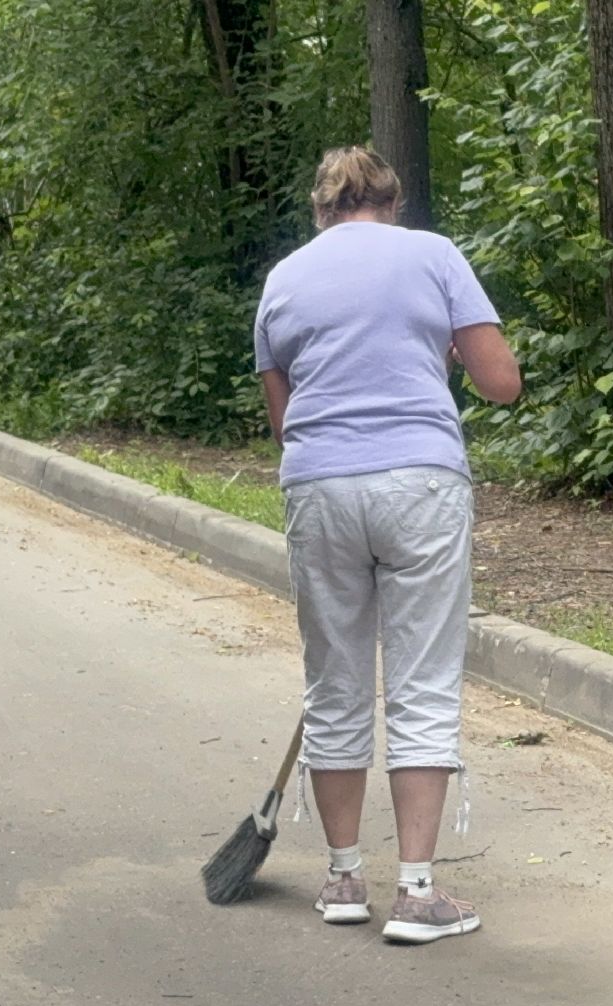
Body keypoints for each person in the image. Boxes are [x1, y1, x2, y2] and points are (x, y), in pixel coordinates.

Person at [253, 146, 521, 944]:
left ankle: (341, 878)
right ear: (393, 204)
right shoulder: (433, 256)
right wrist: (438, 356)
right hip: (419, 485)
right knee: (422, 684)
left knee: (334, 685)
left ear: (322, 210)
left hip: (321, 486)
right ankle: (414, 892)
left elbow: (282, 419)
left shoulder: (284, 277)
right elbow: (500, 381)